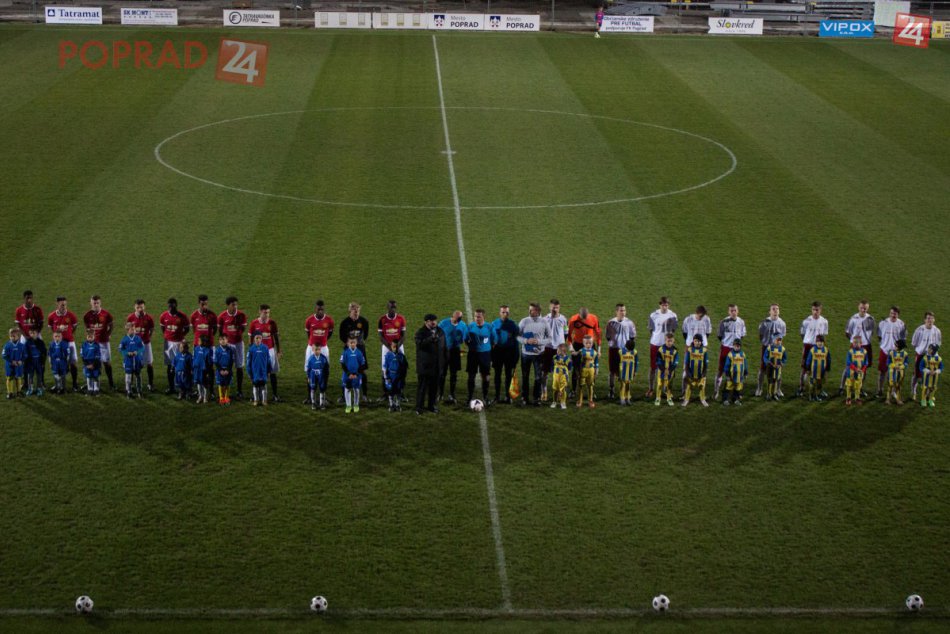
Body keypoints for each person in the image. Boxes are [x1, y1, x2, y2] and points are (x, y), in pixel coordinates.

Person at [838, 300, 875, 397]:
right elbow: (847, 332)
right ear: (858, 307)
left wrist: (864, 341)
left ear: (868, 308)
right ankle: (841, 387)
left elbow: (871, 332)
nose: (863, 310)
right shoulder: (853, 319)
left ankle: (860, 388)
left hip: (866, 346)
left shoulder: (870, 319)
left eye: (865, 308)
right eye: (861, 308)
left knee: (864, 368)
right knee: (849, 366)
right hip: (854, 346)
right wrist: (854, 342)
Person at [517, 303, 551, 406]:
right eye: (530, 310)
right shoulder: (524, 321)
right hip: (525, 354)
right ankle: (524, 398)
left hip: (539, 354)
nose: (530, 312)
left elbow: (550, 338)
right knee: (525, 376)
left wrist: (539, 342)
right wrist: (526, 341)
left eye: (533, 310)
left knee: (538, 377)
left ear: (538, 311)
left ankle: (537, 398)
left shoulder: (544, 322)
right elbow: (517, 336)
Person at [304, 300, 335, 403]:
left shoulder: (329, 320)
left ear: (324, 308)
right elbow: (308, 334)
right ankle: (309, 397)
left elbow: (330, 333)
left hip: (324, 348)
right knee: (309, 371)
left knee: (325, 371)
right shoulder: (309, 320)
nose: (320, 311)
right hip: (311, 348)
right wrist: (313, 344)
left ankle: (323, 396)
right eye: (318, 309)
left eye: (322, 309)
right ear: (315, 309)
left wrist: (323, 342)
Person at [249, 304, 282, 402]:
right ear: (260, 312)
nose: (267, 315)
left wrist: (279, 351)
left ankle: (275, 395)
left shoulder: (272, 323)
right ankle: (256, 396)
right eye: (265, 312)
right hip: (258, 351)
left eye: (268, 312)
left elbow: (276, 337)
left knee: (272, 372)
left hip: (270, 350)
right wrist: (251, 351)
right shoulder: (254, 323)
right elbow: (250, 338)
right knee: (257, 372)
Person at [414, 314, 446, 415]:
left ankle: (432, 406)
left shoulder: (440, 331)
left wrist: (444, 360)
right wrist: (430, 339)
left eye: (435, 321)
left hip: (437, 365)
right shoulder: (420, 332)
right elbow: (419, 344)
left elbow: (444, 346)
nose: (434, 323)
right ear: (426, 322)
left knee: (434, 388)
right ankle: (419, 407)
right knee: (422, 388)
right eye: (432, 321)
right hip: (425, 366)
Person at [646, 297, 677, 398]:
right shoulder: (653, 315)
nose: (665, 307)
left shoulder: (673, 315)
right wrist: (657, 337)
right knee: (653, 367)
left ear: (668, 305)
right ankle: (651, 388)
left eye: (666, 305)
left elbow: (673, 330)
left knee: (668, 368)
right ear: (660, 305)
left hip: (667, 346)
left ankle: (666, 389)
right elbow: (651, 329)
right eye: (663, 305)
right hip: (655, 344)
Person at [714, 304, 746, 400]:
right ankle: (716, 391)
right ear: (728, 312)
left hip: (736, 350)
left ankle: (736, 392)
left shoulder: (741, 322)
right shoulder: (724, 322)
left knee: (737, 371)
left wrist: (736, 345)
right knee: (720, 370)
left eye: (735, 310)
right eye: (731, 311)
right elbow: (719, 335)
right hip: (726, 348)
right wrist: (727, 343)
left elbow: (742, 335)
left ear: (737, 311)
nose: (733, 312)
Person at [47, 296, 79, 391]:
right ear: (57, 304)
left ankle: (74, 384)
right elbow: (51, 328)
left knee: (73, 363)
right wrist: (57, 335)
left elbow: (74, 326)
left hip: (69, 342)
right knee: (57, 362)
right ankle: (58, 385)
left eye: (65, 304)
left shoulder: (71, 315)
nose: (64, 306)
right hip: (58, 343)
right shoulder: (51, 316)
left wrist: (69, 334)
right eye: (62, 305)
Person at [567, 307, 601, 398]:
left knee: (592, 368)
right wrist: (571, 348)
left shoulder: (594, 318)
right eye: (582, 318)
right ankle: (573, 390)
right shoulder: (573, 320)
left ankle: (592, 391)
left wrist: (599, 349)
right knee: (576, 369)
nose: (584, 320)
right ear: (579, 315)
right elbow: (569, 336)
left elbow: (598, 334)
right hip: (578, 344)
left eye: (585, 318)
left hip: (590, 345)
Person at [83, 295, 115, 391]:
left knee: (106, 363)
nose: (96, 305)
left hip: (104, 342)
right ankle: (92, 384)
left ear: (100, 303)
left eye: (97, 303)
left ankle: (111, 383)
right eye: (94, 303)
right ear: (91, 303)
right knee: (93, 363)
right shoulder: (87, 315)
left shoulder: (106, 314)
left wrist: (108, 334)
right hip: (93, 343)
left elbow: (111, 325)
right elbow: (87, 328)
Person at [339, 302, 370, 400]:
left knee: (362, 371)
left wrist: (358, 343)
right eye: (354, 311)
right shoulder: (344, 323)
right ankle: (344, 396)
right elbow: (341, 336)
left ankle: (364, 394)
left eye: (358, 311)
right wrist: (349, 343)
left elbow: (365, 335)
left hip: (360, 348)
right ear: (350, 311)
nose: (356, 313)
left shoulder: (364, 321)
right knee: (346, 371)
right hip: (348, 349)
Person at [218, 296, 247, 399]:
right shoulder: (222, 316)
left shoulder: (241, 315)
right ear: (228, 305)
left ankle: (239, 390)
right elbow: (220, 331)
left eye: (236, 304)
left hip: (238, 344)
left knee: (239, 367)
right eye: (233, 305)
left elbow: (243, 328)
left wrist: (237, 330)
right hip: (228, 345)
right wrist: (224, 342)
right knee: (226, 367)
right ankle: (226, 390)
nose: (235, 307)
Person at [605, 304, 636, 401]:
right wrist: (613, 343)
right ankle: (611, 390)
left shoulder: (629, 323)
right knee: (612, 371)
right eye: (621, 310)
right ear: (616, 311)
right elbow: (607, 336)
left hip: (625, 351)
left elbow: (632, 337)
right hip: (613, 350)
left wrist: (628, 348)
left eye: (624, 310)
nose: (623, 312)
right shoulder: (611, 322)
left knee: (624, 372)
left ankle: (623, 392)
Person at [797, 302, 829, 397]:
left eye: (817, 310)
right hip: (808, 346)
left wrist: (823, 347)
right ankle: (801, 388)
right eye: (813, 310)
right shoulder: (806, 321)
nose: (815, 312)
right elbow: (802, 334)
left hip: (819, 347)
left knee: (820, 369)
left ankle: (820, 390)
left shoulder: (824, 322)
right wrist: (807, 343)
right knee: (804, 368)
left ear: (820, 310)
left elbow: (824, 336)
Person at [159, 298, 190, 395]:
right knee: (170, 366)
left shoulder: (182, 316)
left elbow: (187, 329)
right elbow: (163, 328)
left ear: (176, 305)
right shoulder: (163, 316)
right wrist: (168, 336)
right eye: (169, 306)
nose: (170, 308)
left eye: (172, 306)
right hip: (168, 343)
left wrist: (180, 336)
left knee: (181, 365)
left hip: (179, 343)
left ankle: (183, 388)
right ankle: (171, 387)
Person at [465, 308, 496, 406]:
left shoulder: (489, 327)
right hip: (473, 354)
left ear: (483, 317)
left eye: (479, 316)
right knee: (471, 376)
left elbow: (494, 341)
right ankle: (469, 397)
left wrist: (486, 349)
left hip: (485, 354)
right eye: (475, 316)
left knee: (485, 376)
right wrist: (472, 346)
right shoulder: (470, 326)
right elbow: (466, 339)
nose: (476, 318)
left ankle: (485, 397)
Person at [875, 306, 907, 399]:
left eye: (895, 314)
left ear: (898, 315)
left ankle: (893, 392)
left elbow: (903, 339)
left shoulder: (901, 324)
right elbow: (879, 336)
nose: (893, 315)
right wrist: (884, 345)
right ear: (889, 313)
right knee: (882, 372)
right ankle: (880, 390)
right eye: (892, 313)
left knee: (895, 373)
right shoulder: (883, 323)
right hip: (884, 351)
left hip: (895, 354)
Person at [755, 303, 786, 397]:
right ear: (770, 311)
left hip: (777, 349)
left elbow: (782, 336)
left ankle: (778, 389)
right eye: (773, 309)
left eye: (777, 309)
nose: (775, 310)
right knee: (762, 368)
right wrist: (766, 343)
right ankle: (759, 388)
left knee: (778, 369)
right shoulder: (764, 323)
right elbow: (760, 335)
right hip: (766, 347)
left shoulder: (782, 323)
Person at [492, 306, 520, 403]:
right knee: (497, 375)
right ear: (499, 313)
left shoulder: (513, 325)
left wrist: (516, 356)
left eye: (507, 312)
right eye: (503, 312)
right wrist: (491, 356)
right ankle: (497, 396)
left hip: (509, 353)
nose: (505, 314)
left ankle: (508, 397)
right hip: (497, 353)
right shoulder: (494, 324)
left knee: (508, 375)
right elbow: (491, 340)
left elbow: (516, 342)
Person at [438, 310, 468, 404]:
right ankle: (440, 394)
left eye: (460, 318)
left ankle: (452, 394)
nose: (459, 319)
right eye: (458, 317)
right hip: (444, 350)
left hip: (455, 351)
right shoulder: (444, 323)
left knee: (453, 374)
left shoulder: (463, 325)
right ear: (453, 316)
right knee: (442, 373)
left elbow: (465, 338)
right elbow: (437, 334)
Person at [541, 299, 567, 402]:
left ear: (559, 308)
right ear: (549, 307)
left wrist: (562, 346)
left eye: (556, 307)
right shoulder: (544, 319)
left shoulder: (563, 319)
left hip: (559, 350)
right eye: (552, 307)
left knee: (560, 372)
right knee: (545, 371)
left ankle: (559, 393)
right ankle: (544, 392)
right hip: (547, 348)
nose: (554, 309)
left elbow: (566, 333)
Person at [681, 305, 712, 395]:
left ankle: (701, 394)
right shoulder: (688, 319)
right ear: (696, 313)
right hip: (689, 346)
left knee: (702, 368)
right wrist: (691, 342)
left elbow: (708, 332)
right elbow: (684, 332)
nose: (702, 317)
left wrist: (701, 343)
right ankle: (684, 392)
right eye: (701, 315)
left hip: (703, 347)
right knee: (686, 368)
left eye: (703, 315)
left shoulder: (707, 319)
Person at [911, 312, 941, 401]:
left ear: (934, 320)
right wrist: (921, 349)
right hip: (921, 355)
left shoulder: (937, 331)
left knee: (931, 375)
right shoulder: (919, 330)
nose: (930, 320)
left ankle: (928, 394)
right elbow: (914, 343)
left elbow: (938, 344)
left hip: (931, 357)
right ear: (925, 320)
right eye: (928, 318)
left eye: (931, 318)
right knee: (916, 374)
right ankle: (913, 392)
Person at [126, 299, 156, 391]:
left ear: (144, 307)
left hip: (146, 344)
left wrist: (148, 337)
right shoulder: (131, 317)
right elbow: (128, 330)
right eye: (138, 307)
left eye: (141, 307)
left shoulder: (149, 318)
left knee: (149, 364)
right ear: (134, 307)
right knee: (133, 364)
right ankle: (132, 385)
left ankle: (150, 384)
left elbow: (152, 329)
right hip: (135, 345)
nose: (139, 309)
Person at [377, 299, 406, 388]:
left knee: (402, 365)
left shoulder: (401, 319)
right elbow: (381, 336)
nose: (393, 309)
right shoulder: (382, 319)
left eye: (394, 307)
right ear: (387, 307)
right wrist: (389, 347)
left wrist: (397, 346)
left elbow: (403, 335)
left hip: (399, 345)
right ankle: (386, 387)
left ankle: (400, 387)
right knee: (384, 366)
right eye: (391, 307)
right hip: (387, 346)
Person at [340, 336, 366, 414]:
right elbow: (342, 364)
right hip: (347, 375)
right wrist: (348, 374)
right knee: (347, 389)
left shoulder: (359, 353)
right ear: (348, 343)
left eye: (354, 342)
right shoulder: (345, 352)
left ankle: (356, 405)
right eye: (351, 342)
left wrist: (356, 374)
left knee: (356, 390)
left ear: (356, 343)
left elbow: (362, 365)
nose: (352, 344)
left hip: (357, 375)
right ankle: (348, 405)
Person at [119, 321, 145, 399]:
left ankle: (139, 391)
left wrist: (137, 352)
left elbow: (142, 347)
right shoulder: (124, 339)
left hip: (137, 360)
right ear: (127, 330)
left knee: (138, 376)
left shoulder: (138, 338)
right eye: (132, 329)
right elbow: (120, 349)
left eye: (134, 329)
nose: (134, 331)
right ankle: (128, 391)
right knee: (128, 377)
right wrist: (127, 353)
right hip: (128, 361)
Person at [682, 334, 708, 407]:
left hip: (700, 374)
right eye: (696, 341)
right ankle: (686, 400)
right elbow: (686, 363)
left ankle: (703, 400)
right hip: (691, 374)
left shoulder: (704, 350)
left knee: (701, 387)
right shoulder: (689, 350)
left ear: (701, 342)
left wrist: (704, 374)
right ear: (693, 341)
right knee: (689, 387)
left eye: (699, 341)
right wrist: (688, 374)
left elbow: (705, 364)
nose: (697, 343)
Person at [246, 333, 272, 407]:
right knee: (255, 385)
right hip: (255, 371)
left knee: (263, 385)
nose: (258, 340)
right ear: (254, 339)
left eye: (259, 338)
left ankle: (264, 400)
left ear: (262, 339)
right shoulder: (251, 349)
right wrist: (249, 372)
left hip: (263, 371)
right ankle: (256, 400)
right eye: (256, 338)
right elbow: (248, 362)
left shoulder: (265, 348)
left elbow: (269, 360)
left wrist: (269, 370)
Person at [843, 335, 869, 406]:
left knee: (858, 385)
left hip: (860, 372)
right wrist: (855, 369)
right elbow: (848, 362)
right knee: (849, 385)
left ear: (861, 343)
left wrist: (863, 370)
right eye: (854, 342)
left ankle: (857, 398)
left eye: (857, 343)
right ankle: (848, 397)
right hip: (851, 372)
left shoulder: (864, 352)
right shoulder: (850, 352)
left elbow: (866, 362)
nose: (855, 344)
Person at [383, 339, 408, 412]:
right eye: (393, 346)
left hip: (399, 377)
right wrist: (386, 377)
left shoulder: (401, 356)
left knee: (398, 391)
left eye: (396, 347)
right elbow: (385, 367)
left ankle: (397, 405)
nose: (395, 348)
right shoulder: (388, 355)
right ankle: (391, 405)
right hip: (391, 377)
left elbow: (405, 368)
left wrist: (403, 377)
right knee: (391, 392)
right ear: (391, 346)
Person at [804, 334, 831, 402]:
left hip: (822, 371)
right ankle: (811, 396)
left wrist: (827, 369)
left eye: (821, 342)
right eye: (818, 342)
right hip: (813, 371)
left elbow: (828, 360)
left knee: (819, 384)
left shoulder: (826, 350)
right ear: (816, 342)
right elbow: (808, 360)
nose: (820, 343)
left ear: (824, 342)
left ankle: (816, 395)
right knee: (812, 384)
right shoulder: (813, 350)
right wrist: (808, 369)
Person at [721, 339, 748, 406]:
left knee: (738, 388)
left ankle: (735, 399)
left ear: (740, 346)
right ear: (733, 346)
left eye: (738, 346)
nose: (736, 347)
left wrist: (746, 373)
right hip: (731, 376)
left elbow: (745, 364)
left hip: (740, 376)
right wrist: (727, 375)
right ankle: (725, 399)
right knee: (728, 387)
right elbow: (727, 365)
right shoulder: (730, 354)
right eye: (735, 346)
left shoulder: (742, 354)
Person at [654, 332, 678, 407]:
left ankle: (669, 398)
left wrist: (670, 370)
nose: (669, 343)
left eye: (671, 341)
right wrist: (663, 370)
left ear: (673, 341)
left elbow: (676, 362)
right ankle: (658, 398)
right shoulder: (660, 349)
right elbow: (658, 361)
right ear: (665, 340)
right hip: (661, 371)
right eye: (668, 341)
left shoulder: (675, 351)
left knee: (669, 385)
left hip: (670, 371)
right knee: (659, 384)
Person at [576, 334, 599, 408]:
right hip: (583, 370)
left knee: (590, 386)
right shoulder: (580, 352)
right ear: (583, 343)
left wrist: (597, 370)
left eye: (590, 343)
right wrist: (577, 371)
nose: (588, 344)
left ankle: (590, 400)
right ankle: (580, 400)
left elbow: (596, 362)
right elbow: (577, 362)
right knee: (581, 385)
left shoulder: (595, 352)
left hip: (591, 371)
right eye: (587, 343)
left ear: (592, 343)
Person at [885, 339, 911, 405]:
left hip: (900, 372)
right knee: (890, 384)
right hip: (891, 371)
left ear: (900, 347)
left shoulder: (905, 354)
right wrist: (894, 366)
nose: (894, 346)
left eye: (896, 346)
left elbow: (906, 363)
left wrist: (901, 367)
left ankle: (898, 399)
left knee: (898, 385)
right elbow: (888, 362)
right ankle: (888, 399)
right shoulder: (891, 353)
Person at [762, 335, 787, 401]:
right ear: (774, 340)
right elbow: (765, 357)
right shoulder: (769, 348)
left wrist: (781, 363)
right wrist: (768, 362)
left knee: (775, 380)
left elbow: (784, 358)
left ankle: (774, 394)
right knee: (770, 380)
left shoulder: (782, 349)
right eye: (777, 340)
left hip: (777, 368)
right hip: (770, 367)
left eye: (780, 340)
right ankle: (769, 394)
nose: (779, 341)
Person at [306, 344, 330, 411]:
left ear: (320, 350)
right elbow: (308, 369)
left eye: (318, 349)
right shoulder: (311, 358)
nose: (317, 351)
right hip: (313, 375)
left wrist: (326, 376)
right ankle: (313, 403)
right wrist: (308, 377)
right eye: (316, 350)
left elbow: (326, 368)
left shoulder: (323, 358)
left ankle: (322, 404)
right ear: (313, 350)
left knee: (322, 389)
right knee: (313, 388)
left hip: (321, 375)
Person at [213, 334, 236, 406]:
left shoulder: (230, 350)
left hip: (228, 370)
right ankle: (221, 398)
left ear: (227, 340)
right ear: (219, 341)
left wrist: (228, 370)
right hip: (220, 370)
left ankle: (226, 397)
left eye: (224, 339)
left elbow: (231, 361)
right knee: (220, 384)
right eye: (221, 339)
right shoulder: (217, 350)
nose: (222, 341)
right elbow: (216, 362)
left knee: (227, 384)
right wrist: (220, 370)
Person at [3, 328, 25, 399]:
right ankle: (10, 393)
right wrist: (11, 361)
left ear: (18, 336)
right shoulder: (7, 345)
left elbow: (25, 355)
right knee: (9, 378)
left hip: (18, 365)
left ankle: (19, 392)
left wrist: (21, 361)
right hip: (9, 365)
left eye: (14, 336)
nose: (12, 337)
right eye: (11, 336)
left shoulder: (21, 346)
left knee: (18, 377)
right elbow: (4, 355)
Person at [549, 343, 572, 409]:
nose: (557, 351)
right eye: (557, 350)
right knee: (555, 389)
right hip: (556, 376)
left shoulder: (568, 359)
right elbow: (552, 365)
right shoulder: (555, 357)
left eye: (559, 350)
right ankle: (554, 401)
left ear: (564, 351)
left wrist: (566, 375)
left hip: (563, 376)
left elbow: (569, 369)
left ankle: (563, 402)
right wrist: (552, 371)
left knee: (563, 389)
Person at [24, 330, 46, 396]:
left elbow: (44, 352)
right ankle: (30, 388)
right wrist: (26, 361)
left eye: (34, 333)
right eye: (31, 333)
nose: (32, 334)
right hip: (30, 362)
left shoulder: (41, 342)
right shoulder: (27, 342)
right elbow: (25, 352)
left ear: (37, 333)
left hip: (38, 361)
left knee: (39, 375)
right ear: (29, 334)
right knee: (30, 375)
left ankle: (39, 388)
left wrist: (43, 362)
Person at [80, 331, 102, 396]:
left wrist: (93, 365)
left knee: (96, 376)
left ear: (94, 337)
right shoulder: (84, 345)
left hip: (95, 363)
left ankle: (96, 389)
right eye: (88, 337)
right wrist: (87, 365)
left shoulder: (96, 345)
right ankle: (90, 389)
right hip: (87, 363)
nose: (90, 338)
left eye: (91, 337)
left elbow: (98, 356)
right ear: (86, 337)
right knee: (89, 376)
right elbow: (82, 356)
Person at [192, 336, 213, 404]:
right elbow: (194, 357)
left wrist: (208, 371)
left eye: (199, 340)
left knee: (204, 384)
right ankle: (200, 396)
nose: (198, 342)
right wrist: (193, 366)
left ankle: (205, 397)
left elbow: (209, 362)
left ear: (204, 342)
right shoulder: (196, 348)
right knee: (198, 383)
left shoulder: (208, 350)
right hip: (197, 369)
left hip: (204, 370)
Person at [618, 338, 638, 406]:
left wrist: (635, 371)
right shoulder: (621, 352)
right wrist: (618, 372)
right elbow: (617, 362)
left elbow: (636, 362)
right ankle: (622, 398)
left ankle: (627, 398)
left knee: (628, 385)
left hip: (630, 371)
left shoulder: (634, 352)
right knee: (623, 385)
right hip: (622, 372)